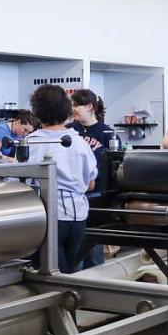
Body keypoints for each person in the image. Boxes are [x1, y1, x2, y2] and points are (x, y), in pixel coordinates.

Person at [27, 84, 97, 274]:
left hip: (49, 216)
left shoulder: (33, 142)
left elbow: (18, 184)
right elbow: (91, 184)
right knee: (70, 272)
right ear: (67, 109)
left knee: (53, 276)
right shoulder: (80, 142)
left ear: (37, 111)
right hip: (79, 217)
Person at [68, 89, 112, 269]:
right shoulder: (70, 131)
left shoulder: (106, 132)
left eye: (76, 105)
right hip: (74, 195)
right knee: (76, 248)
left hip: (96, 195)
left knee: (93, 248)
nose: (72, 109)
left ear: (89, 106)